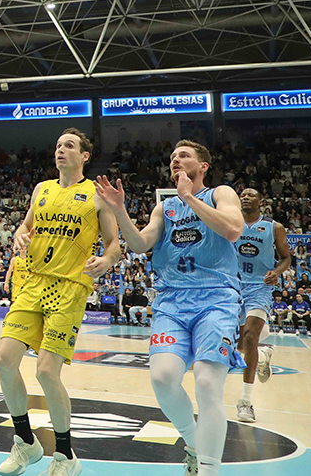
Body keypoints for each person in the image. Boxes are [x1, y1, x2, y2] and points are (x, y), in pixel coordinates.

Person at [95, 140, 244, 476]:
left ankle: (209, 470)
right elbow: (139, 244)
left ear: (203, 166)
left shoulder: (221, 193)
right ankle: (193, 442)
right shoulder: (165, 209)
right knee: (163, 379)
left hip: (216, 299)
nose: (176, 160)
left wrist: (190, 197)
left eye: (185, 156)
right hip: (172, 302)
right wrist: (119, 210)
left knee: (206, 383)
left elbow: (234, 229)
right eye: (173, 157)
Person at [0, 129, 120, 476]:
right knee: (4, 360)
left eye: (69, 146)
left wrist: (106, 261)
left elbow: (114, 245)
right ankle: (25, 443)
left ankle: (65, 455)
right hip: (32, 282)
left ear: (85, 156)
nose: (61, 151)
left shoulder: (96, 195)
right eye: (58, 146)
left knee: (47, 372)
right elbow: (25, 225)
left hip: (69, 289)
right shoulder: (42, 189)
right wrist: (21, 233)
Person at [233, 188, 291, 423]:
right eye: (242, 194)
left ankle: (245, 402)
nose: (245, 197)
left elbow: (286, 257)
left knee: (249, 336)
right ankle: (262, 354)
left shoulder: (274, 227)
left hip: (260, 287)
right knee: (231, 343)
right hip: (232, 286)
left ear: (261, 201)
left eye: (250, 194)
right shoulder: (230, 222)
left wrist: (276, 272)